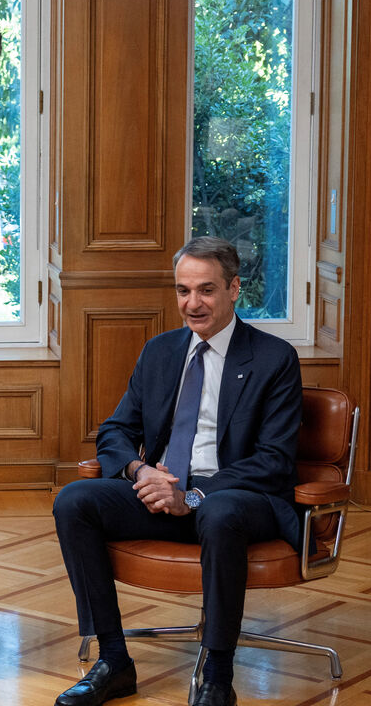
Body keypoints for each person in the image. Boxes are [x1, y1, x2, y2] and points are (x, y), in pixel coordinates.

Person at [51, 236, 302, 706]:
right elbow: (116, 430)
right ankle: (114, 661)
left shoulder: (274, 358)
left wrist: (193, 496)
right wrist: (140, 471)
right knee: (74, 501)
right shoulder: (160, 351)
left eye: (206, 290)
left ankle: (218, 676)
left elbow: (273, 460)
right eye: (183, 291)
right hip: (165, 489)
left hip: (236, 499)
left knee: (220, 513)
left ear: (234, 289)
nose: (192, 304)